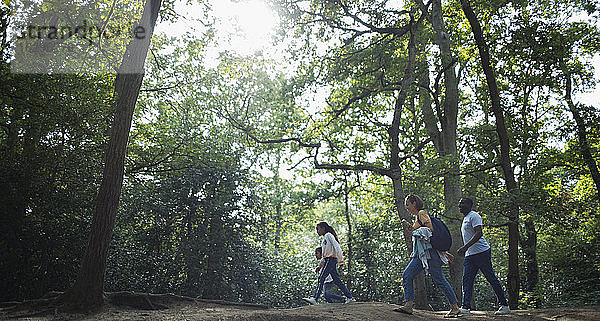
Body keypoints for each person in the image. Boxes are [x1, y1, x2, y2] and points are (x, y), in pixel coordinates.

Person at [394, 194, 461, 318]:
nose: (406, 207)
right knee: (407, 275)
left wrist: (415, 231)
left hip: (429, 254)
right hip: (422, 254)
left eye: (407, 204)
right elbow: (425, 236)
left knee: (439, 280)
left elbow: (429, 231)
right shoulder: (418, 218)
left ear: (414, 203)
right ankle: (408, 305)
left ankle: (455, 307)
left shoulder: (422, 213)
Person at [457, 197, 510, 315]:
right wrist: (467, 250)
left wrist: (465, 247)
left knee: (491, 278)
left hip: (482, 253)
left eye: (463, 204)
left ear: (470, 205)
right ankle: (465, 308)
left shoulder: (474, 216)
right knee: (467, 280)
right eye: (459, 204)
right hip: (470, 255)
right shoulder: (465, 218)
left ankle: (504, 305)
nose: (460, 206)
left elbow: (479, 233)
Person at [302, 221, 355, 305]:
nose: (317, 231)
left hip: (330, 260)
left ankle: (315, 298)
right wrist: (320, 266)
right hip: (329, 260)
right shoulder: (324, 239)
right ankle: (349, 297)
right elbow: (325, 255)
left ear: (323, 228)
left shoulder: (328, 235)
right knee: (337, 281)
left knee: (321, 278)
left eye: (318, 229)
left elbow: (337, 246)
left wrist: (341, 260)